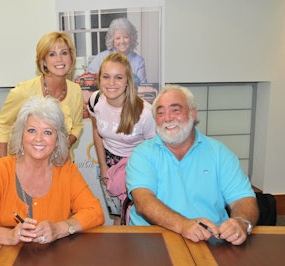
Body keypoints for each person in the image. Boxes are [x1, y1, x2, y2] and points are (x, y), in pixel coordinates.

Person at [0, 96, 104, 245]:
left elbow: (94, 211)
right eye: (32, 130)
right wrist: (9, 235)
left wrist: (60, 228)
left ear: (57, 140)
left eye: (47, 132)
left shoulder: (67, 172)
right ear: (21, 135)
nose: (39, 139)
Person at [126, 84, 259, 245]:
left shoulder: (219, 153)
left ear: (193, 113)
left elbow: (243, 198)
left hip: (210, 241)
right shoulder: (142, 154)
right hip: (152, 241)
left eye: (175, 110)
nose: (168, 118)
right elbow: (144, 202)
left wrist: (241, 222)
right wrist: (183, 225)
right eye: (160, 113)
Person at [87, 53, 155, 225]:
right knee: (118, 216)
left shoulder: (144, 113)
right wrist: (103, 166)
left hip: (137, 165)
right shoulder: (95, 101)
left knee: (138, 215)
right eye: (106, 77)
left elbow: (154, 149)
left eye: (118, 77)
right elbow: (96, 130)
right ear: (99, 79)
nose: (111, 83)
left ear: (127, 81)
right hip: (109, 162)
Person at [0, 31, 83, 160]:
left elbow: (77, 126)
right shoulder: (23, 91)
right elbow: (3, 126)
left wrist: (61, 145)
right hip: (26, 164)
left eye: (64, 53)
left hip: (63, 162)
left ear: (71, 58)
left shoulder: (76, 90)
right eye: (52, 54)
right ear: (44, 61)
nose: (59, 59)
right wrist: (3, 165)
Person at [86, 18, 147, 85]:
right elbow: (88, 81)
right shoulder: (101, 58)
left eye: (126, 37)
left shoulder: (139, 61)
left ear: (131, 38)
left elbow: (142, 87)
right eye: (118, 38)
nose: (122, 41)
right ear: (112, 40)